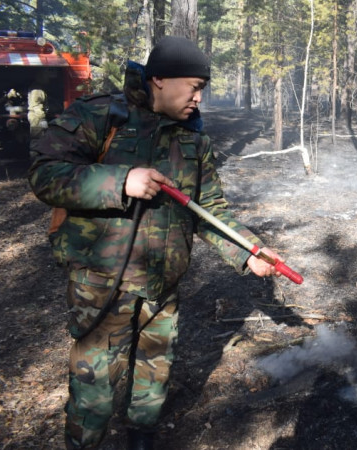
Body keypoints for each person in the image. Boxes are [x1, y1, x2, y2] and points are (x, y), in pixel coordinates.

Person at [29, 36, 287, 450]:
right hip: (101, 285)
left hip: (162, 284)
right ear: (160, 79)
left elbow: (209, 208)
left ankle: (142, 437)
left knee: (154, 371)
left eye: (203, 89)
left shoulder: (193, 140)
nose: (199, 99)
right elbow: (45, 174)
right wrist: (120, 180)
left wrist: (249, 252)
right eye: (195, 86)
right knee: (95, 389)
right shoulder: (100, 116)